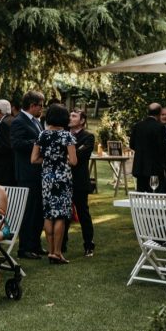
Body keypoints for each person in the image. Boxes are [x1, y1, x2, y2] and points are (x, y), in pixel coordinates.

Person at [30, 103, 78, 264]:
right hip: (62, 178)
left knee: (49, 213)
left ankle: (50, 251)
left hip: (47, 178)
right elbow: (74, 161)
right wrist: (61, 159)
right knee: (61, 215)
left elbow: (33, 159)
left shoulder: (42, 135)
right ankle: (57, 252)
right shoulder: (67, 136)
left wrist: (49, 160)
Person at [10, 90, 46, 259]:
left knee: (38, 211)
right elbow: (16, 144)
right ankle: (24, 248)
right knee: (28, 212)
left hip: (38, 172)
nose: (42, 109)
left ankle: (36, 244)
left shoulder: (37, 121)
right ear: (32, 106)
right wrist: (38, 143)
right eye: (41, 105)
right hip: (26, 172)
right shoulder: (19, 121)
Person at [68, 108, 96, 257]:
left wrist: (68, 156)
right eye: (70, 116)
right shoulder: (64, 134)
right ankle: (62, 245)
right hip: (64, 180)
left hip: (79, 180)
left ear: (82, 120)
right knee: (64, 214)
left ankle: (88, 245)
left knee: (83, 213)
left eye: (74, 116)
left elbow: (79, 156)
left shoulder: (88, 137)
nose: (70, 118)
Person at [129, 102, 164, 192]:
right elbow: (162, 148)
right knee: (155, 197)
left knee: (141, 197)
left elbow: (132, 145)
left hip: (140, 167)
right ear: (159, 113)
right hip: (154, 169)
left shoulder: (137, 126)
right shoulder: (159, 127)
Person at [0, 100, 15, 186]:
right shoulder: (12, 120)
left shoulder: (4, 123)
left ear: (0, 111)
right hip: (11, 167)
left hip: (4, 169)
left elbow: (6, 147)